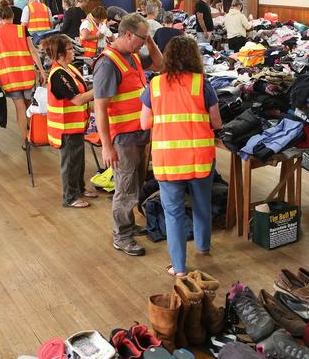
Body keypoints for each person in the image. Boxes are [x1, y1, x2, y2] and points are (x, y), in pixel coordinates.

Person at [140, 35, 222, 276]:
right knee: (201, 203)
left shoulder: (154, 85)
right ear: (194, 57)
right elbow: (216, 122)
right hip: (199, 157)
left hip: (168, 160)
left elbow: (145, 123)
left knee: (173, 212)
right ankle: (203, 247)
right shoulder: (201, 84)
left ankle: (179, 268)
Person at [93, 14, 162, 257]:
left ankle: (129, 225)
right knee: (125, 187)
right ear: (128, 35)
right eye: (142, 38)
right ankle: (121, 236)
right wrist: (106, 146)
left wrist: (151, 43)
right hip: (123, 137)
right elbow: (99, 107)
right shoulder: (108, 63)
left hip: (139, 132)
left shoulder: (131, 55)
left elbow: (160, 65)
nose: (144, 42)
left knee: (135, 183)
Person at [42, 34, 97, 208]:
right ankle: (70, 197)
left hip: (76, 124)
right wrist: (101, 88)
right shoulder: (58, 75)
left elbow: (82, 89)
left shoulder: (70, 69)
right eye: (70, 49)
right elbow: (78, 99)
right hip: (65, 127)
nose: (74, 51)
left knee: (78, 160)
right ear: (59, 54)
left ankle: (78, 188)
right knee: (70, 162)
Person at [0, 5, 45, 149]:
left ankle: (25, 140)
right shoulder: (21, 30)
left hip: (9, 78)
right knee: (29, 107)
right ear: (13, 16)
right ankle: (35, 136)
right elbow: (33, 52)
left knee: (20, 108)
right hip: (26, 75)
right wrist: (42, 71)